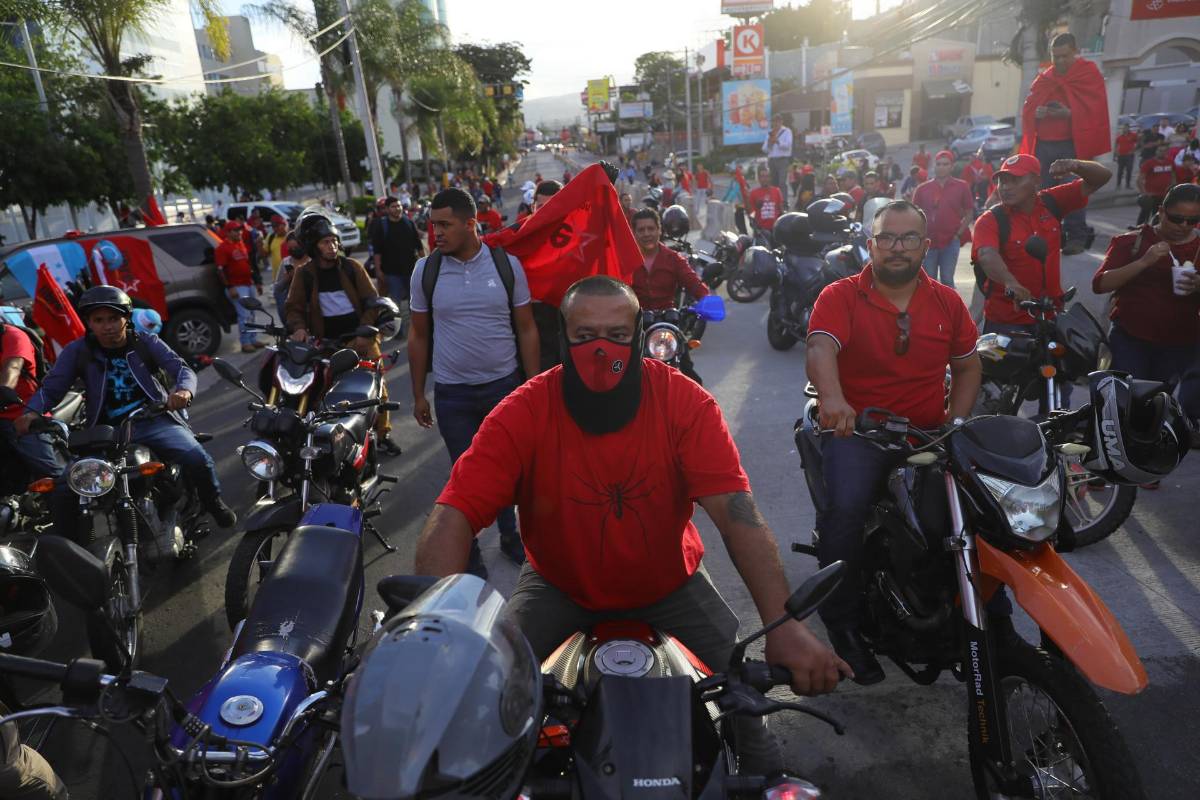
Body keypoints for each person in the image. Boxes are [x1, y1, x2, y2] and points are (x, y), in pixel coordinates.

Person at [414, 274, 851, 773]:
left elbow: (737, 515)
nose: (602, 351)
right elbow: (454, 513)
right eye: (585, 336)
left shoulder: (686, 403)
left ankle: (762, 765)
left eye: (618, 335)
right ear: (563, 337)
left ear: (639, 334)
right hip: (557, 585)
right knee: (488, 699)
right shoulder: (522, 411)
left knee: (743, 702)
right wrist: (430, 635)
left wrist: (786, 626)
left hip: (670, 582)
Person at [805, 200, 982, 684]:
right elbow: (820, 347)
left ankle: (990, 618)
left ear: (926, 246)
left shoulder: (947, 301)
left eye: (908, 238)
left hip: (929, 432)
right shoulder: (840, 295)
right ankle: (842, 624)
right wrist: (833, 399)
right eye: (886, 237)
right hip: (858, 432)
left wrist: (956, 421)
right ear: (872, 244)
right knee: (845, 511)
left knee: (974, 515)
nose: (896, 247)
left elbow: (968, 366)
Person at [16, 287, 237, 541]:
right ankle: (70, 547)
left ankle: (213, 502)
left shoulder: (146, 342)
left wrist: (184, 391)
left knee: (196, 457)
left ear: (127, 318)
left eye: (113, 318)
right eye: (99, 320)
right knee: (68, 485)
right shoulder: (78, 351)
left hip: (153, 420)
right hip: (105, 432)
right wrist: (31, 412)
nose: (107, 326)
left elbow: (181, 368)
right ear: (89, 323)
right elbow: (51, 388)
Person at [407, 188, 540, 576]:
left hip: (503, 388)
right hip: (453, 395)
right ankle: (471, 555)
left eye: (445, 225)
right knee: (466, 478)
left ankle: (511, 535)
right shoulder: (425, 271)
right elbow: (418, 335)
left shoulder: (506, 266)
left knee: (507, 473)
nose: (436, 234)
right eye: (433, 225)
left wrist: (533, 387)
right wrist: (418, 394)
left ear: (470, 224)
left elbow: (526, 328)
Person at [971, 153, 1111, 412]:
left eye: (1014, 180)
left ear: (1036, 181)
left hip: (1049, 319)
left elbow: (1102, 177)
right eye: (1002, 181)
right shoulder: (991, 219)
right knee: (998, 396)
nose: (1005, 187)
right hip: (1006, 323)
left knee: (1058, 388)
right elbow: (987, 255)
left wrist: (1076, 165)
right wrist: (1011, 282)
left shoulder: (1052, 202)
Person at [285, 209, 401, 457]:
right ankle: (330, 440)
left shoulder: (352, 267)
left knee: (376, 390)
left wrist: (364, 333)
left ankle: (383, 435)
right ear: (314, 247)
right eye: (325, 242)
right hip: (325, 345)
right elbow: (293, 308)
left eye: (334, 241)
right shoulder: (304, 274)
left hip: (361, 340)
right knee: (322, 393)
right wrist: (299, 328)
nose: (332, 246)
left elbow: (372, 302)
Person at [1093, 182, 1200, 443]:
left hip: (1179, 343)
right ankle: (1118, 455)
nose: (1184, 226)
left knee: (1157, 406)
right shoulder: (1133, 241)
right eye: (1177, 218)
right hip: (1130, 338)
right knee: (1125, 405)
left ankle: (1145, 455)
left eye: (1192, 221)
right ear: (1161, 211)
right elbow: (1100, 284)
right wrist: (1144, 262)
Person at [1019, 33, 1109, 255]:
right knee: (1043, 193)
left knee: (1075, 190)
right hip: (1044, 145)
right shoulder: (1045, 78)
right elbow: (1028, 107)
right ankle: (1049, 236)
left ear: (1075, 51)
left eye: (1064, 56)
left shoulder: (1088, 73)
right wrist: (1037, 113)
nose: (1059, 61)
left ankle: (1076, 237)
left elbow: (1096, 109)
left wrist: (1068, 113)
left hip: (1072, 145)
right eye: (1055, 56)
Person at [0, 322, 61, 482]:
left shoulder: (12, 336)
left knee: (54, 478)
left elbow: (12, 367)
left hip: (22, 415)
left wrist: (4, 389)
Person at [912, 150, 974, 287]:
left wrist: (958, 234)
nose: (941, 167)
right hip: (928, 242)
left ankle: (949, 302)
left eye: (945, 164)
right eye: (938, 164)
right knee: (929, 282)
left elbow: (970, 212)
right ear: (934, 166)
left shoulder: (962, 186)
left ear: (952, 166)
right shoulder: (922, 189)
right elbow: (913, 214)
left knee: (947, 279)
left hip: (951, 241)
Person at [371, 195, 426, 334]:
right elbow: (377, 251)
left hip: (411, 270)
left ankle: (417, 329)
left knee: (414, 302)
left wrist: (425, 264)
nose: (397, 208)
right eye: (393, 206)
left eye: (399, 206)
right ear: (387, 209)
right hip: (392, 273)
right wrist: (378, 270)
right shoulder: (382, 226)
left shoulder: (408, 222)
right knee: (395, 304)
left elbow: (418, 245)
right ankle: (398, 331)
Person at [215, 220, 264, 353]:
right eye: (236, 230)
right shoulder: (222, 248)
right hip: (237, 286)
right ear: (228, 232)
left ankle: (253, 339)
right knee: (244, 315)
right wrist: (230, 286)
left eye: (240, 230)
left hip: (248, 283)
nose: (239, 232)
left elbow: (249, 265)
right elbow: (220, 270)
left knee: (252, 314)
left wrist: (257, 282)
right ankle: (245, 342)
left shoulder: (241, 244)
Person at [1137, 142, 1176, 226]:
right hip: (1151, 195)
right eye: (1160, 150)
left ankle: (1154, 231)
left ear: (1167, 152)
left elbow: (1173, 176)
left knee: (1157, 216)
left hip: (1164, 195)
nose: (1162, 152)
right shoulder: (1149, 163)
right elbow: (1139, 179)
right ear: (1156, 151)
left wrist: (1172, 188)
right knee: (1144, 215)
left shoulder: (1170, 162)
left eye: (1164, 151)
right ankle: (1138, 229)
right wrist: (1144, 193)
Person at [762, 113, 794, 207]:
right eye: (774, 121)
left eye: (777, 121)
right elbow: (764, 149)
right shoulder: (770, 133)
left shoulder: (787, 131)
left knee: (782, 182)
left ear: (781, 122)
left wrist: (777, 141)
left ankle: (784, 202)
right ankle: (775, 202)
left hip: (782, 160)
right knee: (773, 183)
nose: (776, 123)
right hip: (772, 160)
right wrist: (769, 143)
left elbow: (788, 145)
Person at [748, 166, 785, 233]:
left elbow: (781, 211)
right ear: (759, 178)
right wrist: (757, 208)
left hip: (775, 230)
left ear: (770, 178)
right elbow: (751, 214)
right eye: (763, 176)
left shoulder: (776, 191)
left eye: (767, 176)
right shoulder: (753, 193)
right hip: (760, 231)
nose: (765, 179)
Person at [1114, 125, 1139, 190]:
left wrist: (1133, 150)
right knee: (1120, 171)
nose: (1124, 129)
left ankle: (1128, 185)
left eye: (1126, 128)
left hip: (1129, 156)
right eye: (1123, 128)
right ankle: (1118, 185)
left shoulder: (1133, 135)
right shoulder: (1119, 137)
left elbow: (1138, 143)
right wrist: (1116, 153)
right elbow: (1116, 145)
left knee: (1129, 170)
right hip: (1121, 156)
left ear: (1128, 128)